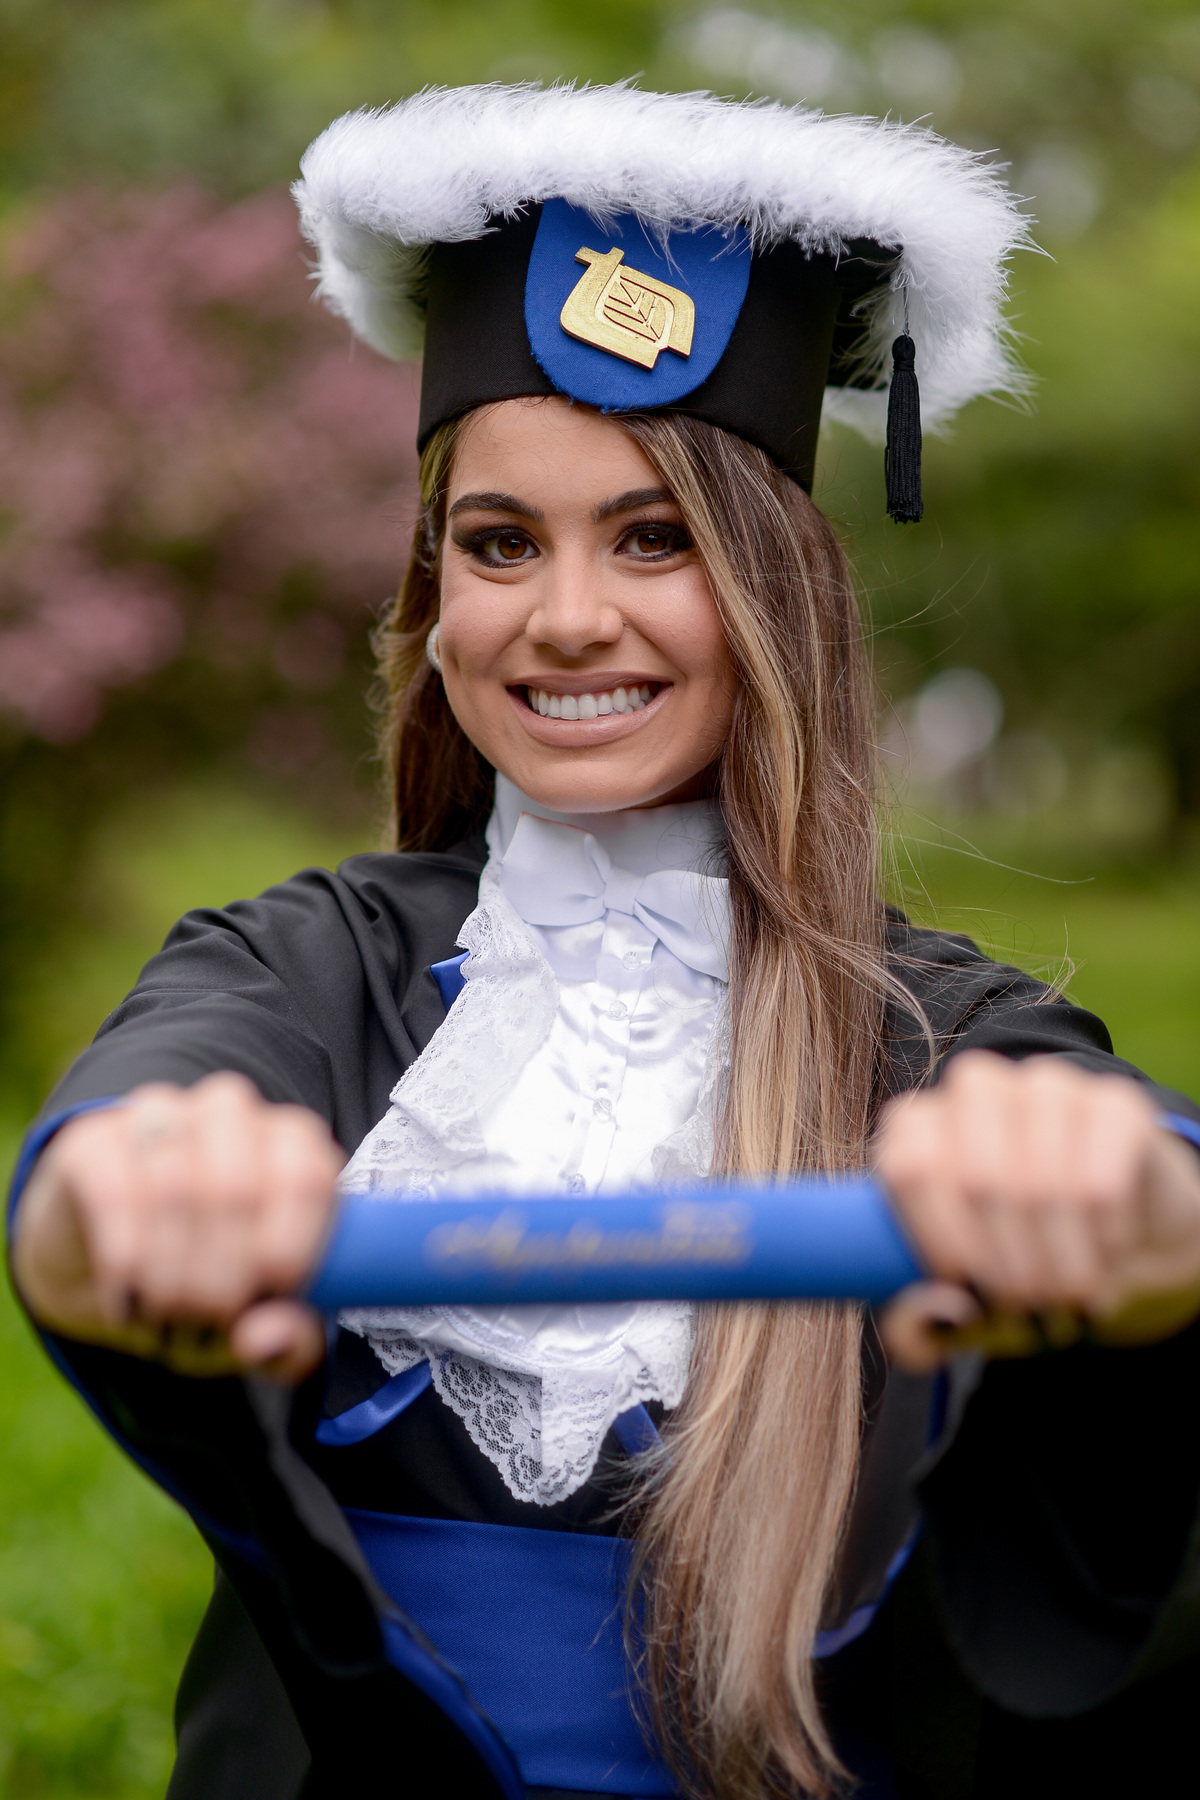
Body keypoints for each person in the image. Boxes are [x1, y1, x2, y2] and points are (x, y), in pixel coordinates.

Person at [8, 83, 1200, 1800]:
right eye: (501, 544)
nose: (567, 617)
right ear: (436, 604)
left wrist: (1112, 1205)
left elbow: (1147, 1188)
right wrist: (128, 1197)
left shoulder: (941, 1031)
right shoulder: (310, 963)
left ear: (780, 590)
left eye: (657, 539)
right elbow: (108, 1152)